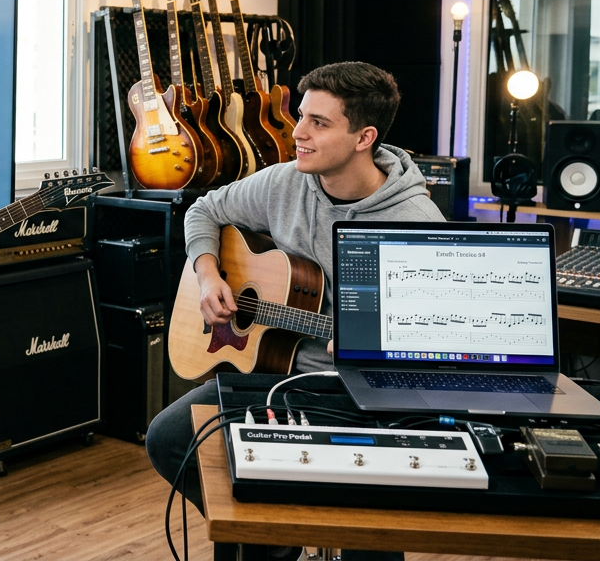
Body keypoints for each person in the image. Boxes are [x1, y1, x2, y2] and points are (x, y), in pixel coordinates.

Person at [145, 62, 443, 561]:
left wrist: (377, 346)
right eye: (301, 117)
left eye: (318, 124)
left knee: (368, 518)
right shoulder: (284, 183)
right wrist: (208, 274)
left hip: (362, 394)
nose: (297, 134)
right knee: (169, 440)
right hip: (269, 375)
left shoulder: (414, 223)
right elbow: (203, 210)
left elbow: (436, 340)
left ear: (364, 136)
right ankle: (275, 537)